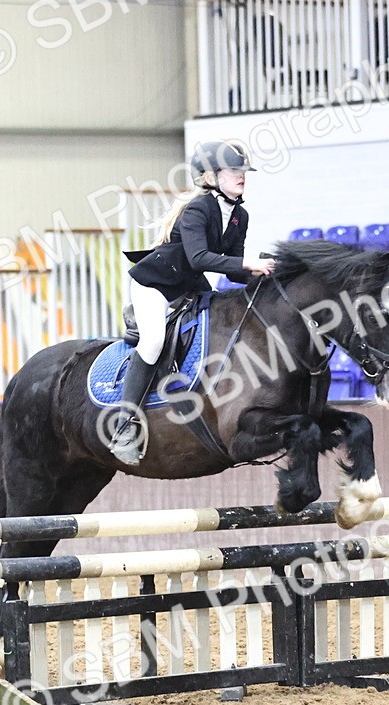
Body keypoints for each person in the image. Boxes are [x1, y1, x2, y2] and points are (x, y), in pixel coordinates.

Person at [109, 140, 275, 465]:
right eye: (233, 170)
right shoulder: (198, 209)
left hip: (190, 291)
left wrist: (268, 275)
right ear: (211, 176)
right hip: (155, 286)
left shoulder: (240, 215)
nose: (242, 176)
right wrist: (247, 265)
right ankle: (124, 425)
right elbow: (199, 258)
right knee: (154, 341)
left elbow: (236, 270)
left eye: (243, 170)